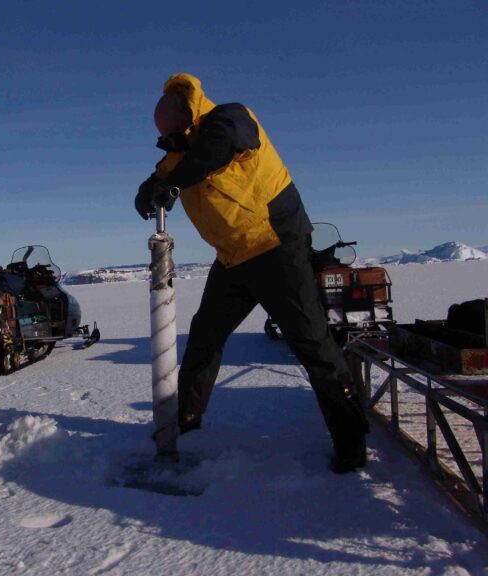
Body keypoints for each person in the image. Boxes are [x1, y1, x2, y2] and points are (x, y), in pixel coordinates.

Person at [135, 73, 369, 473]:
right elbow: (165, 173)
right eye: (164, 136)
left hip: (277, 246)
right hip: (233, 258)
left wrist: (171, 182)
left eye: (171, 132)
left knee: (313, 344)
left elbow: (214, 151)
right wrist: (147, 190)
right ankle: (186, 420)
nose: (168, 140)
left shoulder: (230, 119)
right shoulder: (180, 153)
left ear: (187, 117)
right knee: (205, 337)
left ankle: (351, 440)